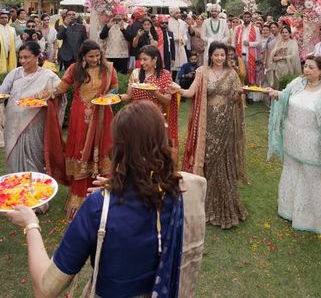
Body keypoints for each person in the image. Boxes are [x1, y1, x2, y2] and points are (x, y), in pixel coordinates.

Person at [3, 101, 206, 298]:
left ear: (118, 149)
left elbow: (46, 288)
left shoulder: (97, 207)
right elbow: (153, 185)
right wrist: (121, 184)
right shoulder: (186, 190)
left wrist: (30, 224)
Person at [267, 55, 321, 238]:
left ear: (320, 70)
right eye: (305, 66)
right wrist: (275, 94)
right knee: (292, 170)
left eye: (311, 67)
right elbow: (285, 96)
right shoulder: (297, 83)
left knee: (312, 175)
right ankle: (288, 209)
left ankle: (310, 217)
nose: (307, 70)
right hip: (293, 139)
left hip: (312, 142)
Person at [174, 41, 246, 229]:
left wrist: (238, 96)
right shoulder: (202, 72)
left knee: (223, 159)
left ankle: (224, 204)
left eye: (223, 55)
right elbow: (191, 92)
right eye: (216, 55)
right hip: (207, 122)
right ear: (210, 55)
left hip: (225, 123)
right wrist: (177, 89)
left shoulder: (232, 74)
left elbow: (236, 98)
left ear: (227, 56)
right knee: (208, 158)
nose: (220, 58)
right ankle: (205, 203)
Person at [50, 40, 118, 218]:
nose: (95, 59)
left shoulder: (108, 68)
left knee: (104, 149)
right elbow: (60, 89)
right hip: (80, 117)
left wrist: (108, 97)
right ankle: (79, 199)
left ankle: (103, 196)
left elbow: (114, 88)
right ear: (83, 56)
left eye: (97, 55)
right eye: (91, 56)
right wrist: (45, 96)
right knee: (81, 151)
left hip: (103, 115)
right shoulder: (74, 69)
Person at [0, 42, 66, 188]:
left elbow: (61, 91)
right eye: (20, 57)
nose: (22, 61)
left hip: (36, 122)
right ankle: (17, 193)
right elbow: (3, 91)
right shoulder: (15, 73)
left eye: (26, 57)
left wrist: (50, 94)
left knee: (34, 157)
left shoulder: (48, 75)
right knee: (13, 156)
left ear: (37, 56)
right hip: (13, 122)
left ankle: (36, 196)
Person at [122, 45, 179, 149]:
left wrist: (155, 93)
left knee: (152, 148)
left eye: (145, 59)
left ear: (155, 59)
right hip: (136, 116)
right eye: (140, 59)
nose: (142, 63)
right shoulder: (136, 73)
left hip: (155, 117)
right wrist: (116, 97)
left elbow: (167, 100)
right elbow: (128, 95)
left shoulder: (165, 75)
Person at [266, 24, 301, 88]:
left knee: (286, 85)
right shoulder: (279, 42)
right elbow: (273, 54)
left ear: (290, 33)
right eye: (283, 32)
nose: (284, 34)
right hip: (277, 68)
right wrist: (276, 54)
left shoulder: (293, 43)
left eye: (286, 32)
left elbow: (294, 56)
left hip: (288, 67)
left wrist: (281, 57)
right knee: (277, 86)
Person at [234, 11, 261, 86]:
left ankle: (249, 94)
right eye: (244, 17)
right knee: (240, 73)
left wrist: (249, 44)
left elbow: (259, 42)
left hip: (250, 56)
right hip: (239, 55)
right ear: (242, 18)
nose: (246, 18)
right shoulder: (237, 28)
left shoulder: (255, 29)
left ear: (250, 18)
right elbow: (234, 42)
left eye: (248, 17)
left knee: (249, 73)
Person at [168, 7, 188, 81]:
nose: (178, 14)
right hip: (172, 47)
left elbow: (184, 34)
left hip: (181, 46)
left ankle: (179, 82)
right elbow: (168, 35)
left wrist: (184, 39)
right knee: (172, 66)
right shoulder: (168, 22)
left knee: (181, 66)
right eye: (176, 13)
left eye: (179, 13)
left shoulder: (182, 22)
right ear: (172, 13)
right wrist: (175, 39)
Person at [0, 9, 21, 73]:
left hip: (10, 54)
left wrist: (22, 40)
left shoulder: (12, 29)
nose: (4, 19)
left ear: (8, 18)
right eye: (2, 18)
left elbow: (16, 42)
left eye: (5, 17)